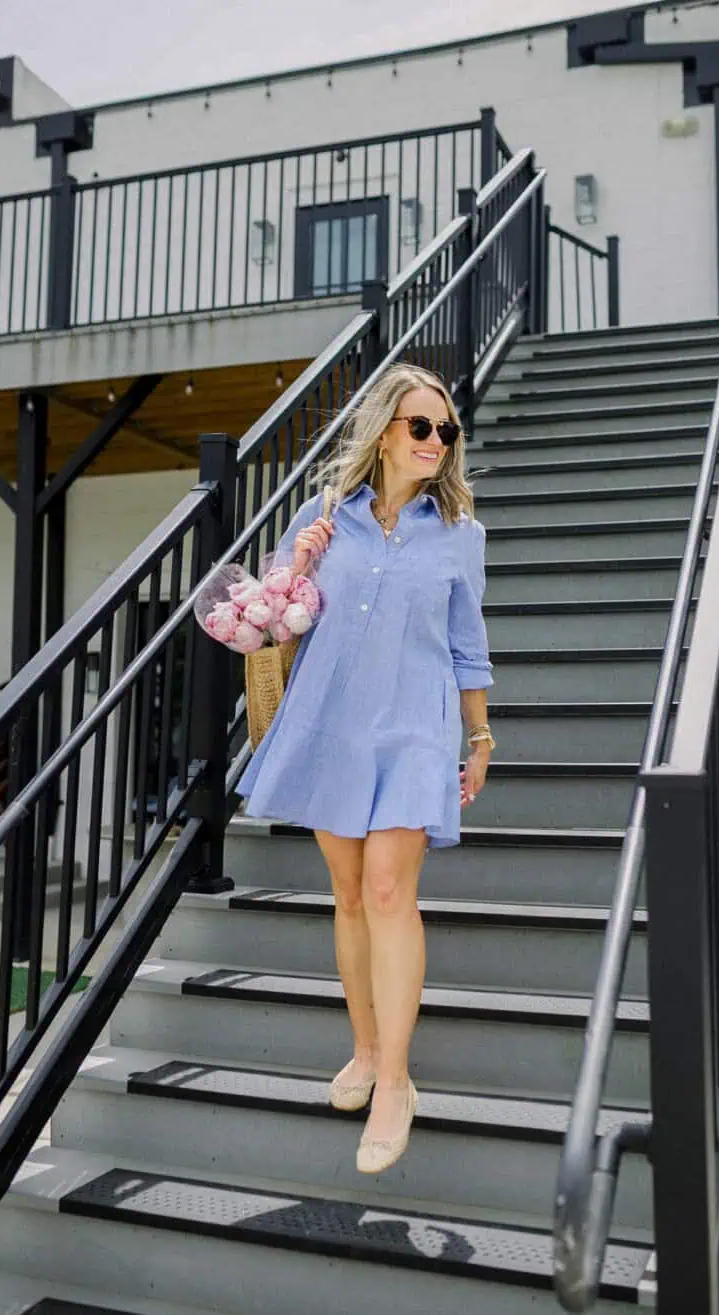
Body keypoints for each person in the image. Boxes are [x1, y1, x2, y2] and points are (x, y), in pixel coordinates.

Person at [236, 363, 495, 1174]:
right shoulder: (322, 516)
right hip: (331, 722)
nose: (437, 442)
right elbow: (270, 620)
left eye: (447, 431)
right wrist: (298, 565)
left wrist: (479, 736)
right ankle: (362, 1043)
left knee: (389, 890)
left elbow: (466, 644)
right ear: (385, 432)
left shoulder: (461, 534)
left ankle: (393, 1080)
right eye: (422, 427)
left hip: (415, 727)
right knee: (347, 892)